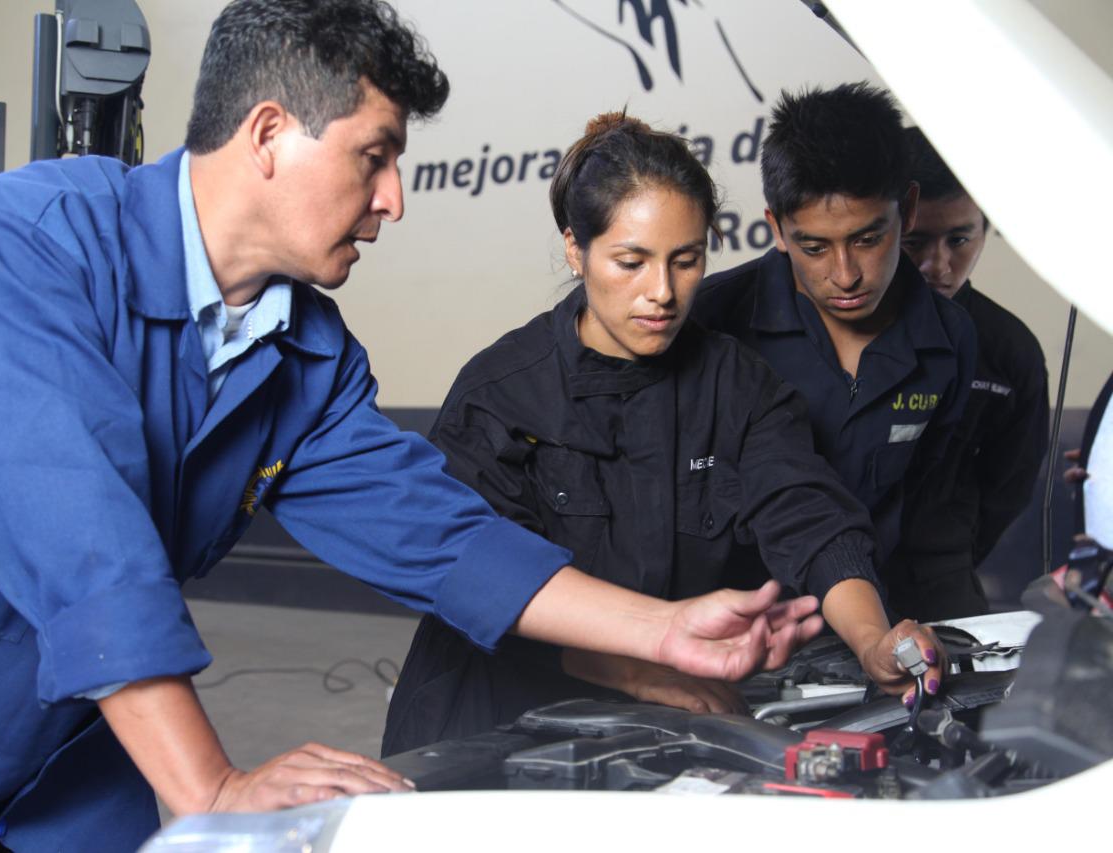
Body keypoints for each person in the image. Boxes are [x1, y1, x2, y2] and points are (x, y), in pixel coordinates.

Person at [0, 3, 825, 851]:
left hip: (64, 754)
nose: (394, 199)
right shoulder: (26, 242)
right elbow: (77, 534)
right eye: (374, 157)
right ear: (269, 133)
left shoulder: (306, 352)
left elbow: (437, 532)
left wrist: (661, 629)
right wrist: (212, 784)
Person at [381, 113, 944, 758]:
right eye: (631, 262)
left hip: (660, 727)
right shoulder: (499, 394)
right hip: (488, 724)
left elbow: (809, 516)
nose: (663, 293)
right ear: (575, 249)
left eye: (686, 261)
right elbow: (474, 579)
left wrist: (872, 638)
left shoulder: (738, 385)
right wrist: (639, 668)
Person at [690, 82, 978, 619]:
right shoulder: (709, 321)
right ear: (777, 229)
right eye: (815, 246)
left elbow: (932, 520)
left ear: (908, 209)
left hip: (874, 626)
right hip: (730, 630)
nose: (845, 275)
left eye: (867, 239)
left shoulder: (951, 339)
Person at [890, 127, 1048, 618]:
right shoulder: (831, 328)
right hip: (815, 579)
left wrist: (948, 550)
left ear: (986, 228)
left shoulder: (1010, 350)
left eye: (959, 239)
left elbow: (1008, 488)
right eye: (915, 242)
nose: (937, 265)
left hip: (942, 578)